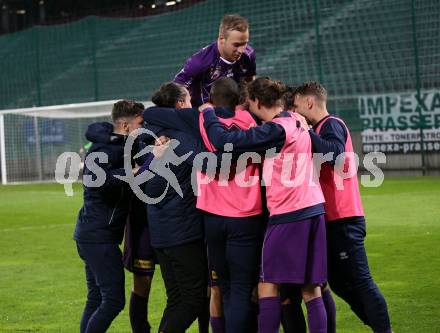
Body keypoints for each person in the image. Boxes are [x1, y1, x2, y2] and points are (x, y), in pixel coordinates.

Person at [199, 77, 328, 333]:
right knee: (311, 289)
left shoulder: (277, 129)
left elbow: (227, 143)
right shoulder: (297, 121)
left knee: (267, 284)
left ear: (257, 101)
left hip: (290, 214)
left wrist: (209, 115)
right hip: (314, 208)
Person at [143, 77, 264, 333]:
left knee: (192, 295)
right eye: (188, 99)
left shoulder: (178, 130)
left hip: (184, 226)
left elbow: (149, 185)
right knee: (208, 295)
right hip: (202, 227)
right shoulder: (188, 135)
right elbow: (213, 164)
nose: (193, 103)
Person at [292, 81, 393, 333]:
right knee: (338, 282)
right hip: (334, 218)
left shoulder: (331, 124)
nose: (295, 112)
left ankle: (383, 329)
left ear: (309, 102)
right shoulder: (324, 127)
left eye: (296, 106)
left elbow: (336, 156)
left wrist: (306, 132)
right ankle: (376, 323)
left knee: (360, 281)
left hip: (343, 218)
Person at [141, 82, 209, 333]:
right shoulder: (183, 138)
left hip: (162, 233)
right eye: (189, 100)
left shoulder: (155, 139)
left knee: (177, 299)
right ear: (180, 104)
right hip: (183, 232)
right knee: (194, 299)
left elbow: (145, 186)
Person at [73, 100, 144, 333]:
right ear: (125, 125)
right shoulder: (103, 150)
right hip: (98, 237)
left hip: (93, 234)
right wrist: (132, 172)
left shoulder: (117, 144)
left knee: (95, 299)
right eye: (139, 124)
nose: (142, 129)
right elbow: (97, 182)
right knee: (113, 301)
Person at [174, 14, 256, 107]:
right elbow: (176, 89)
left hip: (235, 109)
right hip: (203, 114)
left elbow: (250, 80)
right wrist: (192, 109)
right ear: (222, 39)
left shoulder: (248, 54)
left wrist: (246, 102)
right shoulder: (199, 62)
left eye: (244, 43)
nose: (241, 50)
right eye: (236, 45)